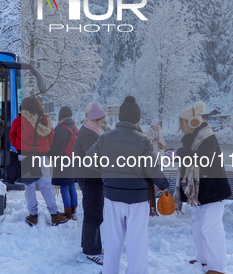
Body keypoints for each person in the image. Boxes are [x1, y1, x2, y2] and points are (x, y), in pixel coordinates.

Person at [87, 96, 169, 274]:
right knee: (137, 241)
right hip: (137, 198)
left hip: (112, 196)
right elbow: (152, 168)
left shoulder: (105, 138)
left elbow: (88, 159)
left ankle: (110, 271)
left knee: (113, 240)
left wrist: (106, 171)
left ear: (120, 117)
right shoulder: (143, 140)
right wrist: (163, 184)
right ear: (137, 119)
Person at [174, 101, 232, 274]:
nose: (180, 126)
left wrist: (181, 153)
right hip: (201, 192)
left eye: (181, 122)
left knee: (211, 228)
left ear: (192, 122)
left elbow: (203, 159)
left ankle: (218, 268)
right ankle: (204, 260)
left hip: (212, 191)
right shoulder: (193, 139)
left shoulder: (208, 138)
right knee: (198, 226)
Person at [17, 96, 67, 226]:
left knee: (29, 186)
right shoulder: (46, 120)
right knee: (46, 185)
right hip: (42, 156)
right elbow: (51, 139)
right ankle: (54, 214)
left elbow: (13, 138)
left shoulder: (19, 120)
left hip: (26, 156)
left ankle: (33, 215)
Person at [73, 102, 106, 265]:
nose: (103, 125)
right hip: (90, 178)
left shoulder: (90, 131)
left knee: (92, 212)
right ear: (94, 121)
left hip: (91, 177)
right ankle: (91, 250)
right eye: (101, 122)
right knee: (94, 214)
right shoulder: (87, 134)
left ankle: (90, 245)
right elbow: (94, 157)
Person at [50, 106, 78, 220]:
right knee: (71, 185)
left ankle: (67, 212)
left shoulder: (60, 129)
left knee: (64, 186)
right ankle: (74, 209)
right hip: (72, 160)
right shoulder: (74, 127)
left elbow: (54, 146)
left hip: (62, 161)